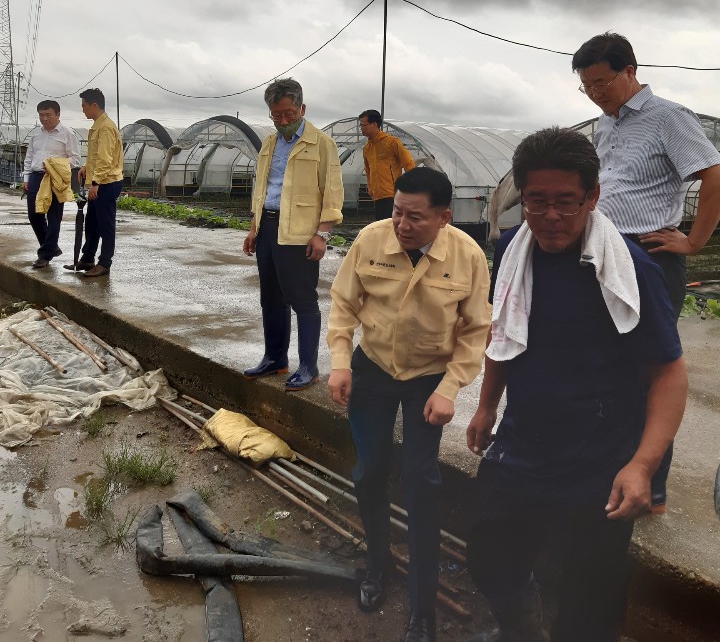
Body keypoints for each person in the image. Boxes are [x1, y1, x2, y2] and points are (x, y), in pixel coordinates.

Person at [464, 128, 687, 642]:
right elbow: (506, 333)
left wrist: (642, 464)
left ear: (593, 196)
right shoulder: (515, 254)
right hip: (523, 443)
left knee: (589, 603)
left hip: (600, 458)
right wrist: (485, 407)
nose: (550, 217)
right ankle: (521, 629)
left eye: (567, 201)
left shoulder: (629, 269)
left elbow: (668, 373)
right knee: (489, 556)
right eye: (536, 202)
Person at [327, 167, 491, 642]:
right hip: (372, 370)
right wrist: (340, 361)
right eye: (397, 212)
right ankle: (376, 565)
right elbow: (343, 304)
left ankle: (423, 609)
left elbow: (476, 331)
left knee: (421, 482)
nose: (401, 224)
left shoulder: (467, 257)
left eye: (414, 217)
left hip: (428, 379)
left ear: (443, 217)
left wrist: (451, 389)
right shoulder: (371, 239)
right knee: (370, 470)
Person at [572, 31, 720, 509]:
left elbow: (713, 175)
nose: (595, 93)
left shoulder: (669, 117)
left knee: (651, 368)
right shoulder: (606, 123)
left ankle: (651, 487)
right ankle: (612, 467)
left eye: (601, 82)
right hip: (606, 253)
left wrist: (695, 241)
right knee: (604, 362)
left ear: (629, 71)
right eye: (586, 86)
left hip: (650, 256)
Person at [242, 78, 343, 391]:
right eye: (276, 115)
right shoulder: (269, 143)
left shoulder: (321, 144)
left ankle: (309, 366)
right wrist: (254, 227)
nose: (283, 121)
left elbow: (332, 191)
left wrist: (322, 234)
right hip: (268, 227)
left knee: (302, 298)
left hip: (300, 232)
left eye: (289, 113)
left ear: (302, 108)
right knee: (271, 297)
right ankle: (275, 358)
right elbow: (263, 188)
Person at [68, 88, 124, 278]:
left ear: (94, 105)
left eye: (84, 106)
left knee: (105, 224)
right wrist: (86, 167)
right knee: (92, 222)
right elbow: (97, 155)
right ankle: (88, 258)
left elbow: (106, 159)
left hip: (106, 183)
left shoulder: (106, 127)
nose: (82, 109)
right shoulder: (98, 126)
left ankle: (105, 263)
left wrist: (95, 183)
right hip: (99, 181)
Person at [23, 100, 81, 269]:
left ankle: (45, 255)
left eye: (48, 115)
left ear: (57, 114)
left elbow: (75, 159)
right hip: (36, 177)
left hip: (56, 178)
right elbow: (29, 158)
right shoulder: (35, 134)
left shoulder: (67, 134)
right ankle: (51, 246)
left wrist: (55, 164)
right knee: (34, 215)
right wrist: (26, 180)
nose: (44, 118)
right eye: (41, 115)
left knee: (54, 216)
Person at [359, 109, 415, 220]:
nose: (361, 128)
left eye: (364, 125)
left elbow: (408, 163)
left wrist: (410, 189)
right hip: (377, 196)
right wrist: (371, 189)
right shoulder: (367, 148)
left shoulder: (391, 142)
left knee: (391, 227)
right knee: (382, 228)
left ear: (374, 124)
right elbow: (368, 170)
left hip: (392, 194)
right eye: (360, 126)